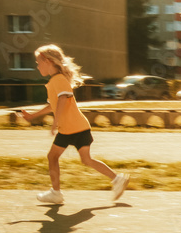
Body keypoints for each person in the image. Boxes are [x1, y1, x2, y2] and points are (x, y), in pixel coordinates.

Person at [21, 44, 129, 204]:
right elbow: (53, 104)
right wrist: (32, 116)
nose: (37, 67)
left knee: (52, 156)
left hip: (70, 128)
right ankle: (117, 179)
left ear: (47, 61)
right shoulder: (55, 81)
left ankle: (56, 193)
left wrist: (55, 122)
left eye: (38, 63)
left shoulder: (58, 79)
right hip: (78, 127)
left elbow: (64, 99)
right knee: (86, 160)